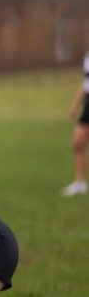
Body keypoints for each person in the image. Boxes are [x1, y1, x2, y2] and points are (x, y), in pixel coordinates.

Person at [64, 50, 89, 196]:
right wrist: (74, 105)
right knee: (78, 142)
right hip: (88, 104)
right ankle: (80, 183)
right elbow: (85, 84)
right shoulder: (87, 57)